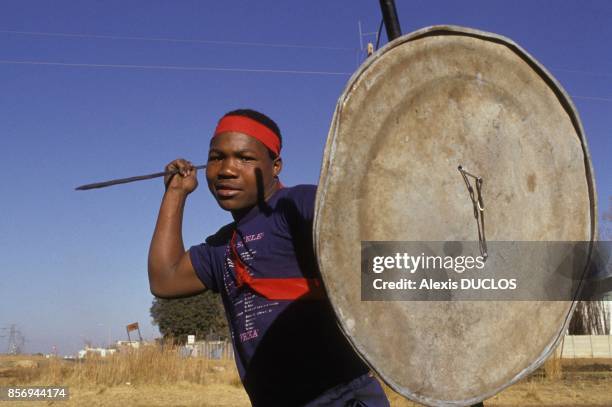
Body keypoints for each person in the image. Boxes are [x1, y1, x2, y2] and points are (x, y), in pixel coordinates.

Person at [148, 109, 390, 407]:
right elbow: (164, 279)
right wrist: (175, 192)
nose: (227, 169)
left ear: (275, 166)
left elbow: (368, 232)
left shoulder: (297, 206)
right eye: (216, 157)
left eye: (245, 158)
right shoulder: (223, 247)